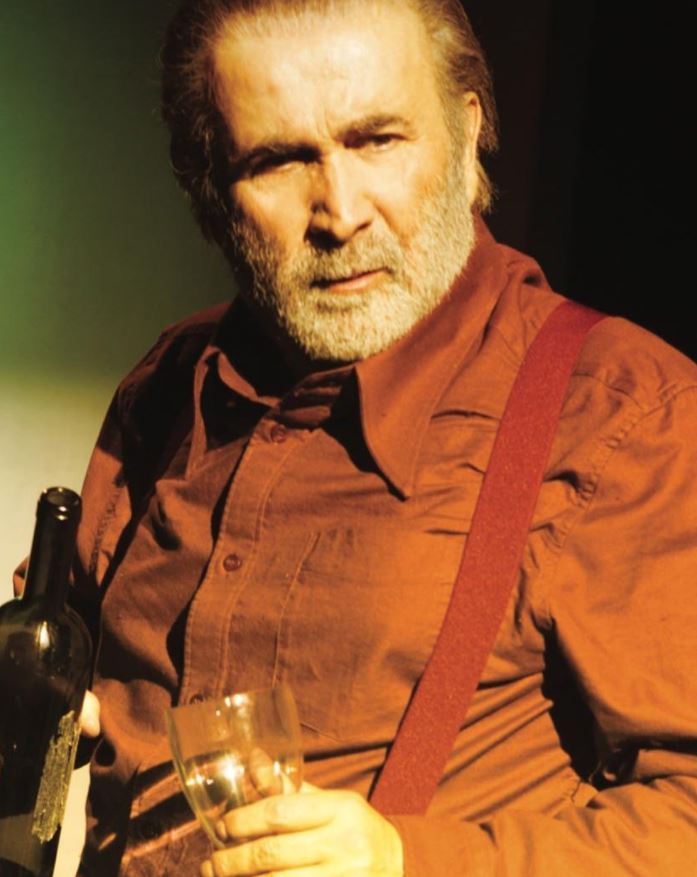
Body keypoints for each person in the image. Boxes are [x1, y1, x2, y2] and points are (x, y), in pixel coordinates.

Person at [20, 0, 697, 874]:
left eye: (377, 140)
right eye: (277, 160)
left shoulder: (623, 412)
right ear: (209, 184)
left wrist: (408, 860)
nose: (339, 213)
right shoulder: (168, 386)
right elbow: (64, 670)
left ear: (467, 131)